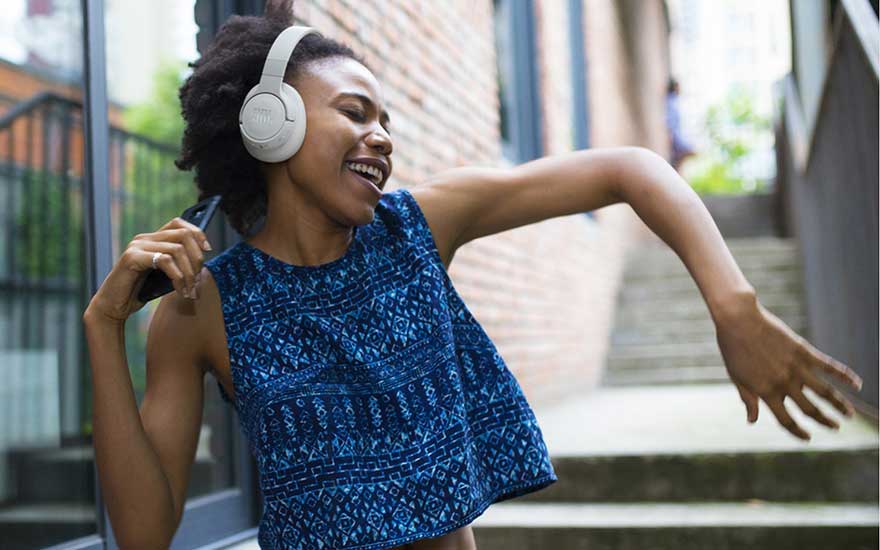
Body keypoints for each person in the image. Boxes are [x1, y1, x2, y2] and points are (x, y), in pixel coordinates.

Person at [81, 1, 864, 549]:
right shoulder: (201, 309)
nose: (381, 137)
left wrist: (734, 307)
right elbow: (144, 535)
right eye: (355, 112)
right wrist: (104, 328)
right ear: (271, 123)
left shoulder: (418, 226)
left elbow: (630, 168)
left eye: (387, 121)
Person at [666, 77, 697, 172]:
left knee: (691, 151)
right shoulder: (671, 101)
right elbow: (670, 120)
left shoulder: (674, 100)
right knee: (691, 150)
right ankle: (676, 165)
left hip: (677, 135)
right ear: (675, 87)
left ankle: (676, 164)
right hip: (676, 136)